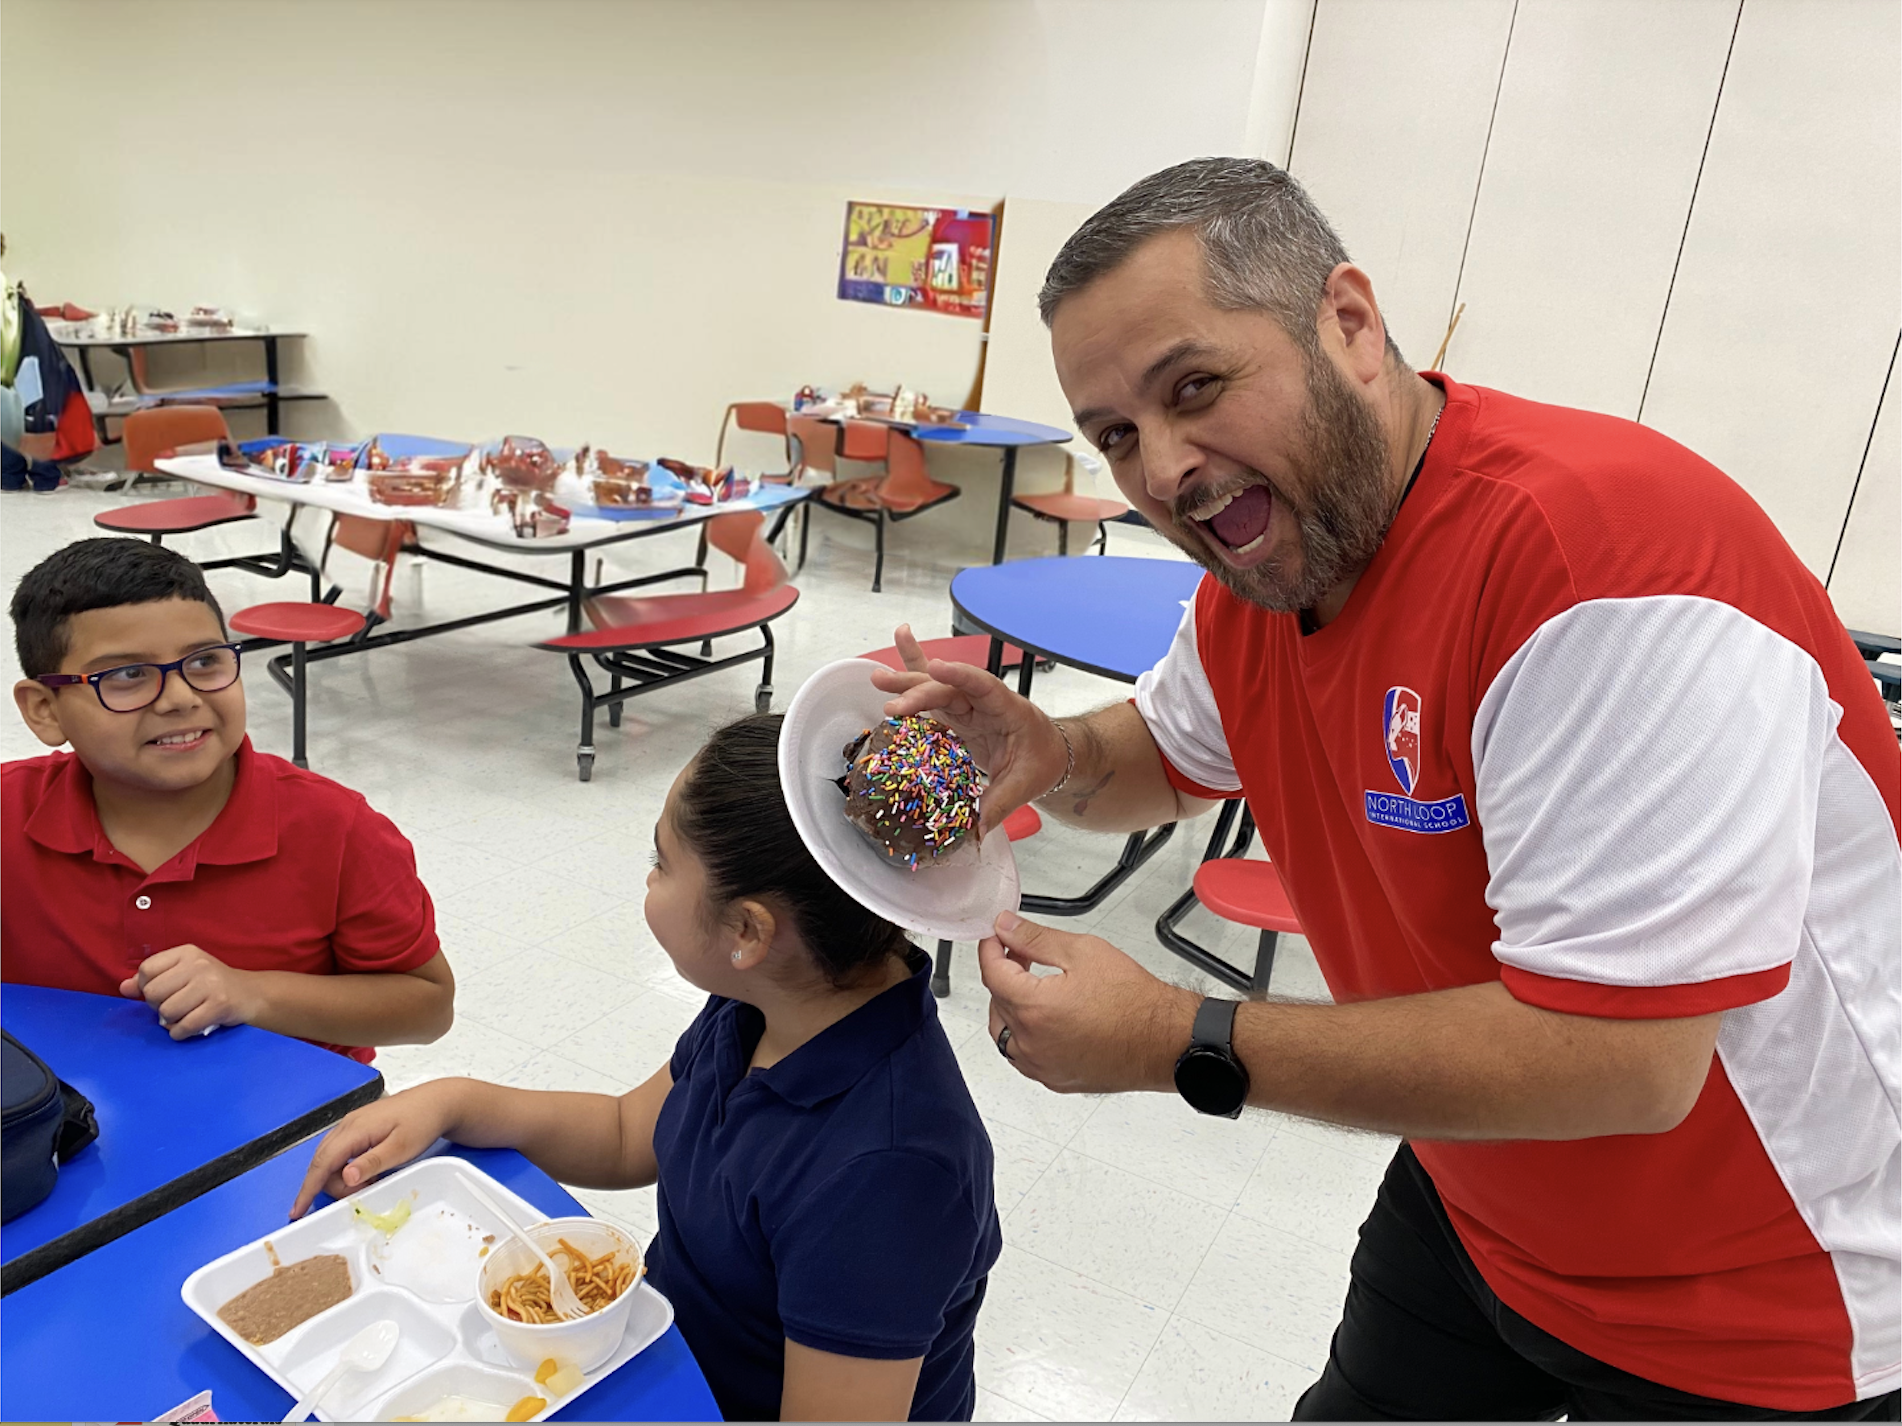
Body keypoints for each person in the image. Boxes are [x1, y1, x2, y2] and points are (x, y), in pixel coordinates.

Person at [875, 158, 1900, 1420]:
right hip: (1481, 1206)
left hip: (1769, 1294)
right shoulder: (1262, 577)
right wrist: (1053, 750)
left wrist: (1172, 1038)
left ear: (1349, 325)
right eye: (1119, 436)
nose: (1165, 470)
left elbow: (1622, 1060)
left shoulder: (1600, 566)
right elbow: (1165, 751)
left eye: (1196, 387)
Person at [291, 713, 1002, 1423]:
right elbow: (632, 1132)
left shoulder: (889, 1172)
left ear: (748, 930)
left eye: (660, 861)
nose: (648, 880)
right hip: (663, 1355)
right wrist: (454, 1102)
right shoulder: (769, 1004)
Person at [3, 537, 454, 1060]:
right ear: (44, 710)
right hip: (57, 1121)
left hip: (293, 1122)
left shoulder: (337, 829)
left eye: (205, 662)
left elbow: (427, 1008)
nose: (180, 699)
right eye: (126, 676)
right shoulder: (7, 813)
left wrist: (252, 993)